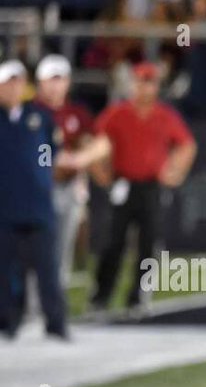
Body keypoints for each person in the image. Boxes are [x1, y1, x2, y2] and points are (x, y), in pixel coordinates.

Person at [90, 61, 195, 313]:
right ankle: (101, 296)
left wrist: (175, 172)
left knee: (149, 242)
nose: (145, 88)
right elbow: (97, 143)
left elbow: (187, 145)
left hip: (152, 186)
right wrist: (100, 172)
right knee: (112, 241)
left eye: (149, 82)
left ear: (156, 86)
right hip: (123, 184)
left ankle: (139, 297)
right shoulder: (117, 113)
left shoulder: (165, 115)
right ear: (133, 84)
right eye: (141, 82)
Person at [0, 60, 69, 341]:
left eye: (18, 82)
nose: (14, 87)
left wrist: (41, 176)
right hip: (4, 208)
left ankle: (55, 323)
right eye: (8, 82)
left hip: (38, 206)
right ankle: (8, 321)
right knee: (5, 270)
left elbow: (49, 153)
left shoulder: (39, 117)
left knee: (47, 269)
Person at [34, 55, 103, 289]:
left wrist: (83, 158)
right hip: (38, 189)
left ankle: (56, 300)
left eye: (60, 79)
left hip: (69, 186)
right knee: (36, 247)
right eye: (50, 80)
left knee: (63, 247)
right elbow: (36, 152)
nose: (55, 86)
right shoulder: (31, 112)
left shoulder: (77, 113)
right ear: (40, 82)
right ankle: (29, 305)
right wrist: (57, 157)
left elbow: (95, 142)